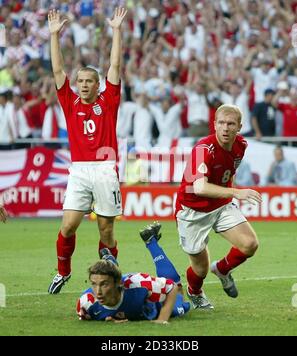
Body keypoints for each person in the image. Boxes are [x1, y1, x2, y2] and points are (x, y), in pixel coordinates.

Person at [47, 7, 127, 294]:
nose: (82, 85)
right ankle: (62, 271)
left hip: (105, 169)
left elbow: (115, 66)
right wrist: (54, 36)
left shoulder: (108, 101)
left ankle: (112, 277)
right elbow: (57, 70)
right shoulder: (69, 102)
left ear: (97, 85)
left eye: (88, 81)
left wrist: (117, 31)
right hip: (79, 170)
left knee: (106, 229)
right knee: (68, 226)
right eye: (79, 81)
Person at [175, 104, 262, 309]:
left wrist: (229, 192)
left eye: (231, 124)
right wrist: (236, 192)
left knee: (250, 244)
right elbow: (200, 187)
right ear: (214, 124)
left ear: (239, 127)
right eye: (221, 123)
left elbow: (228, 170)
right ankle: (194, 291)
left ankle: (222, 269)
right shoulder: (202, 149)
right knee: (200, 270)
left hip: (221, 205)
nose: (225, 128)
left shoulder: (241, 145)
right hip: (192, 210)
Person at [76, 222, 190, 323]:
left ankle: (151, 242)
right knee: (108, 275)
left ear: (118, 284)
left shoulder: (140, 285)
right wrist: (108, 318)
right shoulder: (87, 303)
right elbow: (94, 313)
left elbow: (171, 287)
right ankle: (109, 260)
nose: (98, 292)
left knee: (178, 296)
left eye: (103, 285)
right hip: (119, 284)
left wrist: (162, 319)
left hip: (146, 297)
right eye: (94, 284)